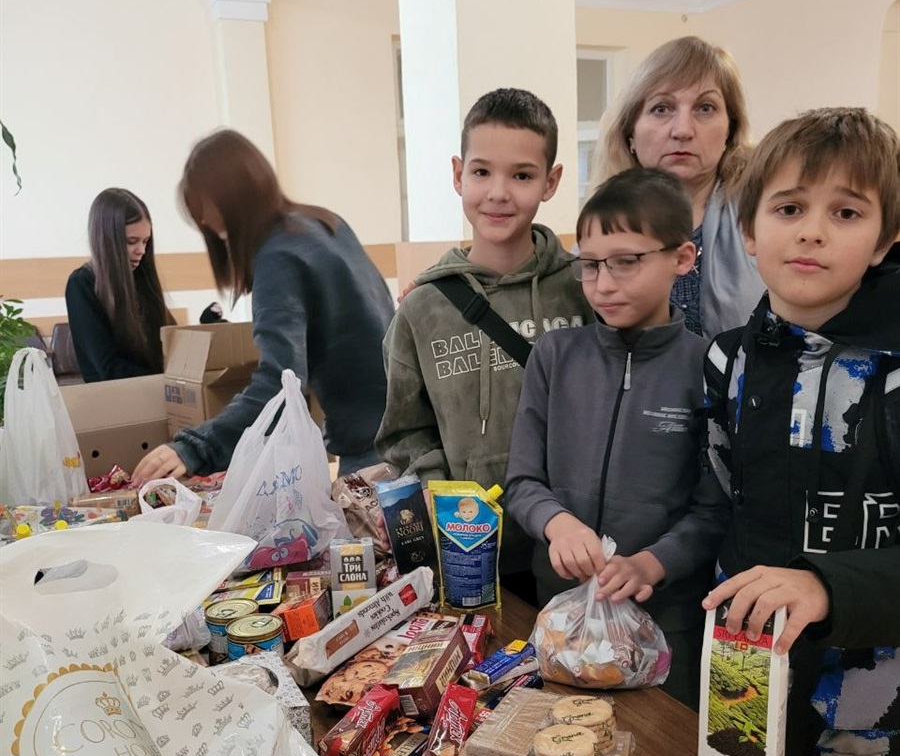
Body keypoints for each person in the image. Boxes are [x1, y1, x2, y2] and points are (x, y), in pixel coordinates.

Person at [506, 168, 729, 756]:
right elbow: (521, 479)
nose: (603, 284)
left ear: (681, 258)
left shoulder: (709, 364)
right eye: (589, 264)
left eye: (625, 262)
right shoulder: (556, 357)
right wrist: (552, 517)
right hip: (561, 636)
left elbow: (716, 507)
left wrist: (654, 562)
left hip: (666, 636)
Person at [702, 107, 900, 756]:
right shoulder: (728, 360)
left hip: (883, 708)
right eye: (788, 207)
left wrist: (827, 583)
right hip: (758, 684)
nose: (812, 230)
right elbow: (720, 502)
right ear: (749, 231)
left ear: (887, 235)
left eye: (846, 210)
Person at [375, 88, 595, 599]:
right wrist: (448, 502)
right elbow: (404, 435)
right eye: (481, 172)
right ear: (458, 174)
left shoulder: (586, 288)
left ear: (551, 180)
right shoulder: (422, 309)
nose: (499, 192)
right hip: (474, 555)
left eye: (521, 175)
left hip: (577, 550)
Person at [132, 129, 395, 484]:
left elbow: (280, 386)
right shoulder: (321, 222)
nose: (207, 225)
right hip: (401, 429)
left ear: (230, 200)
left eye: (206, 214)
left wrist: (193, 447)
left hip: (372, 450)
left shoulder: (279, 254)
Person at [594, 35, 763, 337]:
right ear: (630, 133)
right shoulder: (597, 228)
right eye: (661, 109)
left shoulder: (765, 217)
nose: (683, 130)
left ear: (731, 129)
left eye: (705, 108)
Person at [65, 187, 175, 381]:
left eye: (146, 241)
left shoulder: (143, 277)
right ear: (108, 240)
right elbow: (108, 368)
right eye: (132, 241)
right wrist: (166, 383)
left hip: (156, 393)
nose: (141, 250)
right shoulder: (82, 284)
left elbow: (172, 343)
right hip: (115, 401)